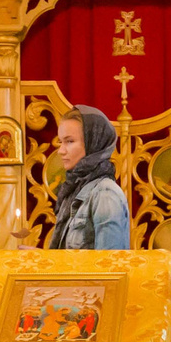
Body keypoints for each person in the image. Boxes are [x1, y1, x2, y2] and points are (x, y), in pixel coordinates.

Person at [44, 106, 130, 250]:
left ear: (93, 143)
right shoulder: (74, 188)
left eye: (69, 141)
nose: (61, 151)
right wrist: (41, 259)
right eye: (61, 142)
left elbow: (109, 266)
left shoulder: (105, 194)